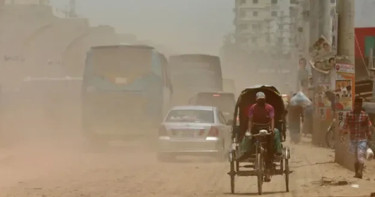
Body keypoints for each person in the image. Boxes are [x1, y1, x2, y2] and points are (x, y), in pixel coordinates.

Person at [248, 92, 281, 182]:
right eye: (259, 100)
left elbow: (272, 119)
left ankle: (270, 160)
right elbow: (250, 120)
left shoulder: (269, 108)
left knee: (270, 145)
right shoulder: (252, 108)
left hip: (266, 127)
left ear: (264, 100)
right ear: (256, 100)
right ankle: (249, 152)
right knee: (249, 139)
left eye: (262, 100)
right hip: (256, 127)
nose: (261, 101)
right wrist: (249, 131)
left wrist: (272, 129)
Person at [341, 98, 372, 179]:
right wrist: (343, 133)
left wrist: (369, 135)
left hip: (362, 139)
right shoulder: (349, 114)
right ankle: (356, 173)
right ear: (354, 105)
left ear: (361, 105)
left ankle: (360, 172)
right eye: (356, 104)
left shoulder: (365, 115)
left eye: (359, 104)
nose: (357, 106)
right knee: (355, 157)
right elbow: (345, 125)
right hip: (353, 139)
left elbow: (368, 127)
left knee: (360, 155)